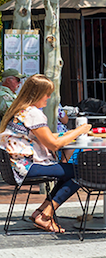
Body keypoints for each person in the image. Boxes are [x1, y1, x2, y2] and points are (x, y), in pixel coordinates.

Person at [0, 74, 90, 233]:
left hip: (16, 166)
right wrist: (79, 131)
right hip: (27, 167)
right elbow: (54, 145)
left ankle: (41, 212)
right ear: (37, 94)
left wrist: (68, 135)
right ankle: (46, 214)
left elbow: (46, 137)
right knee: (81, 172)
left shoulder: (20, 110)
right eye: (47, 93)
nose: (49, 97)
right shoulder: (33, 113)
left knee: (70, 171)